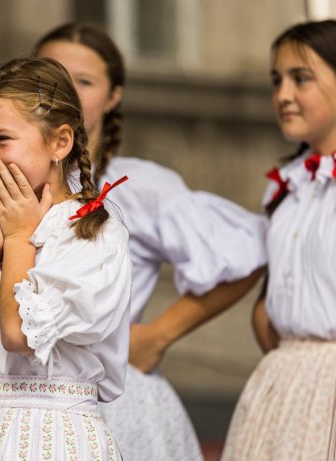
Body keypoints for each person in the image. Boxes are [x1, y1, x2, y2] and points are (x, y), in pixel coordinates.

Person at [35, 23, 267, 460]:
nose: (64, 93)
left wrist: (158, 335)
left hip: (110, 400)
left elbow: (247, 250)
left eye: (82, 82)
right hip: (16, 401)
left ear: (113, 95)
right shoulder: (1, 181)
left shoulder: (140, 186)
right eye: (51, 79)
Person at [0, 57, 132, 460]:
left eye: (2, 139)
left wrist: (19, 239)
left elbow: (19, 336)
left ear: (60, 143)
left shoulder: (91, 231)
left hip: (53, 437)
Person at [221, 20, 336, 461]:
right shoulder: (285, 186)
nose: (283, 94)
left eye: (300, 78)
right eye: (276, 80)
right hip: (284, 382)